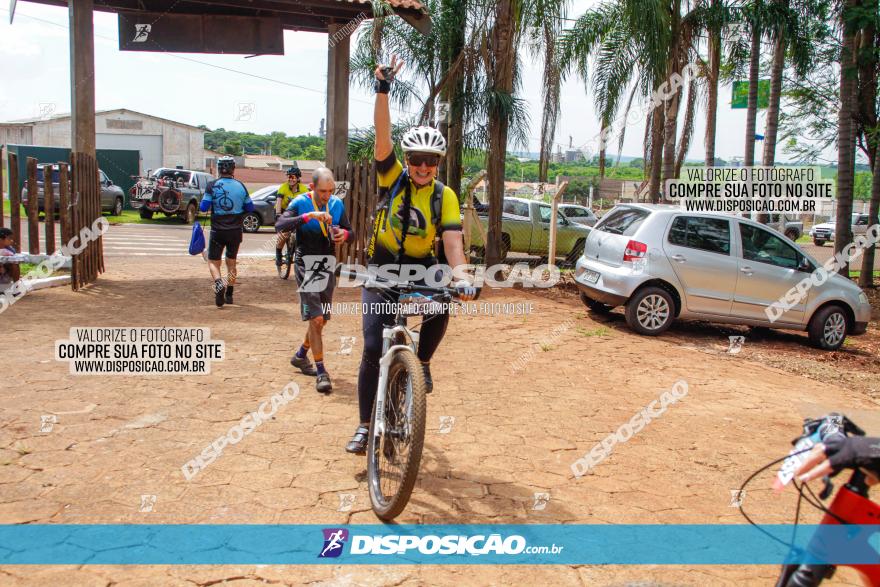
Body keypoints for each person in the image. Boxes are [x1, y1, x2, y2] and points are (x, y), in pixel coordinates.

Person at [345, 56, 476, 454]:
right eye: (416, 160)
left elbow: (452, 240)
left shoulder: (445, 195)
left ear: (438, 164)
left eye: (429, 162)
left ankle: (424, 363)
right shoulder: (393, 178)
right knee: (371, 348)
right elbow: (382, 139)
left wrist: (463, 276)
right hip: (382, 270)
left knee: (442, 306)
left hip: (421, 270)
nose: (422, 167)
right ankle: (366, 426)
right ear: (409, 161)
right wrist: (383, 88)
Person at [275, 167, 354, 393]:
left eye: (330, 191)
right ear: (312, 187)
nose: (327, 195)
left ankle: (301, 355)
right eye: (322, 191)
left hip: (326, 264)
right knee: (317, 319)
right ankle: (321, 372)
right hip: (305, 262)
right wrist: (309, 216)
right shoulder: (301, 202)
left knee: (322, 319)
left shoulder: (337, 205)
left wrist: (344, 235)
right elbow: (280, 225)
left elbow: (351, 231)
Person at [200, 156, 254, 307]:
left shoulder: (212, 185)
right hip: (235, 231)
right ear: (233, 169)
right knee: (231, 262)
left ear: (219, 169)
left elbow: (204, 207)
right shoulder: (241, 186)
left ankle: (218, 283)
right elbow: (250, 208)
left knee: (213, 261)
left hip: (218, 230)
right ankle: (229, 294)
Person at [797, 435, 880, 485]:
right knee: (869, 481)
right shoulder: (845, 449)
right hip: (862, 447)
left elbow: (828, 465)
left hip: (858, 448)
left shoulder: (844, 454)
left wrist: (804, 476)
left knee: (869, 481)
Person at [274, 166, 310, 273]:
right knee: (284, 234)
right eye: (289, 177)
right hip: (284, 212)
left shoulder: (304, 189)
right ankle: (278, 254)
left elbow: (308, 203)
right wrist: (278, 215)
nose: (291, 179)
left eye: (293, 177)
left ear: (298, 178)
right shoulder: (283, 187)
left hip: (297, 213)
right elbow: (279, 201)